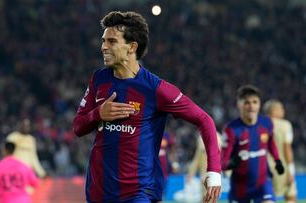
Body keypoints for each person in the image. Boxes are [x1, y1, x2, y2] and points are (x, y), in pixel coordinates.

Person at [73, 11, 221, 203]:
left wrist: (214, 172)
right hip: (98, 192)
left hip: (139, 193)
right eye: (103, 41)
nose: (103, 47)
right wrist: (98, 114)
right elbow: (78, 127)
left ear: (132, 47)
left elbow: (204, 120)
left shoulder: (156, 88)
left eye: (111, 41)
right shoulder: (99, 79)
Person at [221, 85, 284, 203]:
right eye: (247, 103)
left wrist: (277, 160)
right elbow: (222, 162)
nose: (251, 106)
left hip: (262, 184)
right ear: (239, 105)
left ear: (259, 104)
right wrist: (231, 164)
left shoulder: (266, 123)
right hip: (240, 187)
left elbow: (270, 142)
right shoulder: (232, 129)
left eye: (255, 102)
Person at [264, 99, 297, 203]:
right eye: (281, 108)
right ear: (274, 111)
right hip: (281, 167)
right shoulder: (285, 125)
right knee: (291, 195)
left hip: (263, 167)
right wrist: (291, 170)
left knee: (267, 197)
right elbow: (287, 149)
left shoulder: (260, 125)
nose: (283, 111)